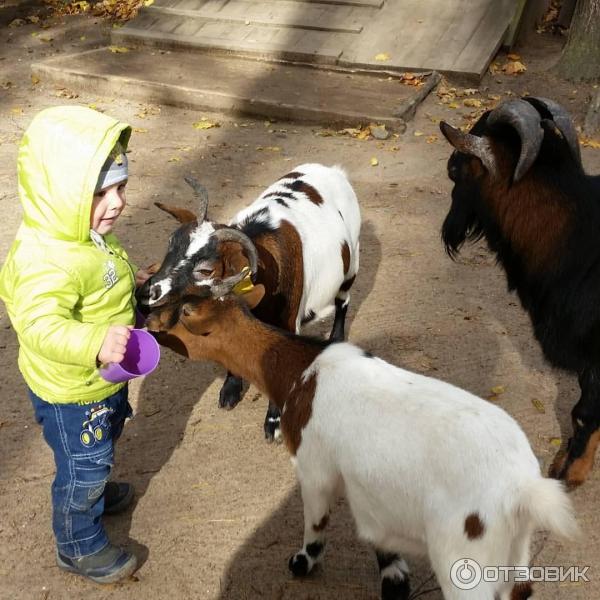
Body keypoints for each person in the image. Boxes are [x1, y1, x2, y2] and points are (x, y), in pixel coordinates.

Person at [0, 105, 153, 584]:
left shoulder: (85, 236)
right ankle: (77, 544)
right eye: (100, 192)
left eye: (122, 187)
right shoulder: (45, 259)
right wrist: (95, 340)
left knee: (106, 441)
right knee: (83, 465)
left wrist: (135, 287)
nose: (117, 203)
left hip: (101, 379)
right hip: (70, 391)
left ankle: (97, 491)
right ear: (60, 193)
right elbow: (40, 326)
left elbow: (103, 282)